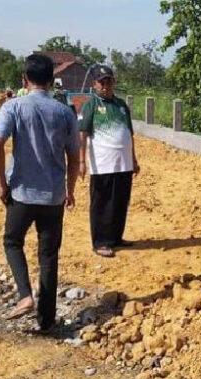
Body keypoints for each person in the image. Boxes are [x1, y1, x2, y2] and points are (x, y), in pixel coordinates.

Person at [0, 54, 79, 332]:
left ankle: (25, 295)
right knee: (49, 255)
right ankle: (47, 320)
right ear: (52, 81)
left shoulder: (13, 107)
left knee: (12, 241)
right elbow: (74, 157)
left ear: (24, 79)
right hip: (54, 196)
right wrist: (70, 190)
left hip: (21, 194)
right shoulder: (65, 111)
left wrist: (2, 186)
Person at [78, 64, 139, 258]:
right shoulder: (91, 105)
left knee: (120, 202)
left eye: (109, 81)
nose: (106, 85)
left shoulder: (121, 105)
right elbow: (83, 134)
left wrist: (134, 159)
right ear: (94, 84)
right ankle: (100, 241)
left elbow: (129, 134)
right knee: (102, 204)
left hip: (124, 163)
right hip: (103, 164)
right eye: (101, 82)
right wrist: (81, 162)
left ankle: (116, 237)